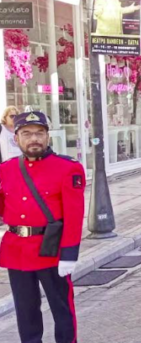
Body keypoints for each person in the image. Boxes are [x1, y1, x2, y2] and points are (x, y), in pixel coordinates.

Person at [0, 111, 85, 342]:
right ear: (16, 138)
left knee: (62, 309)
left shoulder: (67, 168)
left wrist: (69, 254)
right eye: (26, 133)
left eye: (39, 133)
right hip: (17, 251)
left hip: (52, 250)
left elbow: (74, 216)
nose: (33, 138)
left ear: (48, 137)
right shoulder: (6, 169)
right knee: (25, 312)